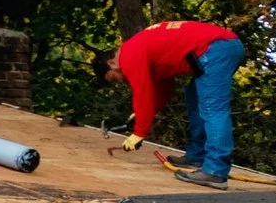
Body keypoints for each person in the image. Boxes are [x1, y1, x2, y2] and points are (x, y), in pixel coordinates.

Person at [93, 21, 243, 188]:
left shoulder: (128, 55)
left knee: (212, 108)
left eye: (114, 77)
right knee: (194, 98)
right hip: (222, 46)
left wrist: (139, 133)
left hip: (217, 48)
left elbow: (142, 92)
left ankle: (215, 172)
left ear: (112, 63)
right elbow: (164, 90)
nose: (120, 81)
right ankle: (196, 156)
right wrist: (142, 115)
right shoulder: (140, 50)